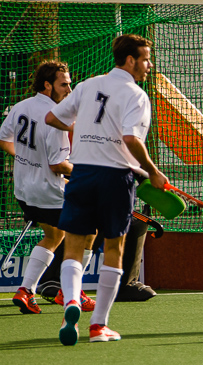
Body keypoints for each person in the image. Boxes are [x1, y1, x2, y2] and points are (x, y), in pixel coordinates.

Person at [45, 34, 167, 345]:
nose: (149, 66)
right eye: (145, 59)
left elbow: (51, 117)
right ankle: (99, 325)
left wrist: (84, 129)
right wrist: (153, 171)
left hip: (82, 174)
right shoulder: (137, 96)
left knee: (73, 246)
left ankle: (71, 300)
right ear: (130, 61)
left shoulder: (86, 85)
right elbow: (130, 139)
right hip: (115, 179)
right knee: (114, 248)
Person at [0, 61, 96, 314]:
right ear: (47, 85)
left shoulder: (21, 106)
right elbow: (57, 165)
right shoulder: (56, 118)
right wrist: (90, 174)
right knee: (90, 231)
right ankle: (70, 292)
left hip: (23, 190)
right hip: (48, 192)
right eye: (63, 84)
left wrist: (26, 160)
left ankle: (25, 291)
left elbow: (3, 138)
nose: (69, 89)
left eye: (69, 83)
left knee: (54, 236)